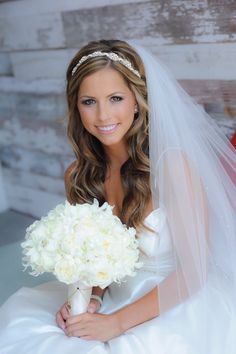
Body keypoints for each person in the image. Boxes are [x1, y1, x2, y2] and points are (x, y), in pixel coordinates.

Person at [0, 39, 235, 354]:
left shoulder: (173, 166)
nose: (102, 115)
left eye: (115, 98)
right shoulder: (78, 175)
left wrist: (117, 324)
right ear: (76, 106)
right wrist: (88, 298)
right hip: (113, 299)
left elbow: (194, 273)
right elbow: (89, 259)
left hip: (175, 300)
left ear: (136, 101)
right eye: (89, 101)